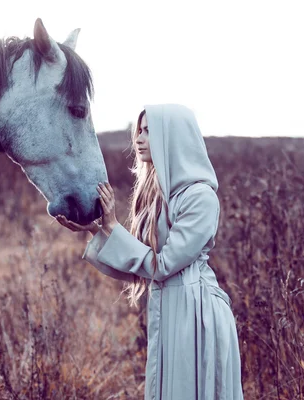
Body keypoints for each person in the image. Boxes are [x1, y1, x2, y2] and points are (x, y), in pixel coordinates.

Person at [56, 104, 244, 399]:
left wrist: (114, 228)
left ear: (173, 137)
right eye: (139, 132)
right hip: (171, 309)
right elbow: (143, 267)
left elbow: (163, 265)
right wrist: (97, 230)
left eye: (148, 131)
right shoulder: (157, 193)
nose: (139, 139)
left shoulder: (200, 197)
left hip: (197, 315)